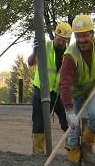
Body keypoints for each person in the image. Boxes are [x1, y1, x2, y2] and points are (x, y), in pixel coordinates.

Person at [58, 14, 95, 166]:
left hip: (91, 88)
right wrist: (69, 111)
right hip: (73, 92)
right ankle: (73, 159)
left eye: (85, 35)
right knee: (73, 126)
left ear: (92, 34)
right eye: (78, 36)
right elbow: (65, 84)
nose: (82, 40)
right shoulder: (70, 55)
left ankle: (87, 148)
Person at [27, 22, 72, 155]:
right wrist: (35, 51)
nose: (61, 42)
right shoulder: (45, 46)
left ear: (68, 39)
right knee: (39, 123)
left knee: (67, 122)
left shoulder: (70, 52)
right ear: (55, 34)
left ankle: (72, 150)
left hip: (59, 92)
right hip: (41, 90)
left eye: (64, 40)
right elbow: (30, 63)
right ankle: (38, 153)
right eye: (59, 38)